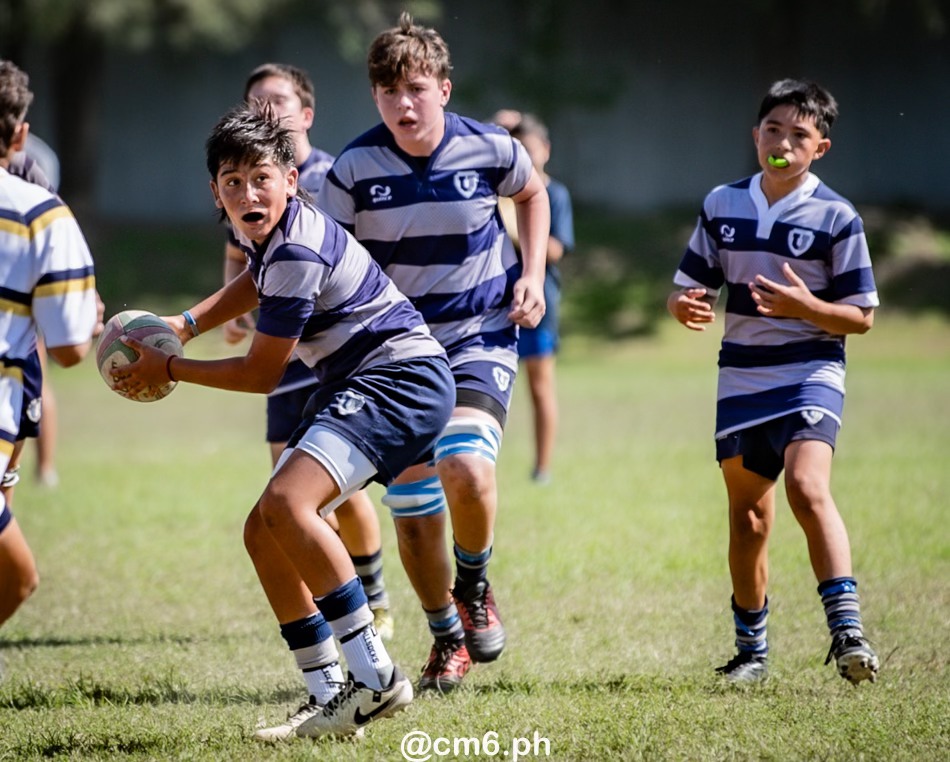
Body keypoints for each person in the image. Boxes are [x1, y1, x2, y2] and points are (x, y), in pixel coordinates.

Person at [113, 104, 455, 738]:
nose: (248, 192)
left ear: (292, 179)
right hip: (371, 381)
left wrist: (171, 368)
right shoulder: (272, 240)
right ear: (214, 192)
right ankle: (330, 692)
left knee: (288, 506)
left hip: (399, 380)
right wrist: (182, 326)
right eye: (233, 181)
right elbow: (254, 281)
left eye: (261, 176)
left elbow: (260, 374)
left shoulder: (294, 246)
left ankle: (375, 679)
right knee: (265, 529)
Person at [318, 12, 549, 694]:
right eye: (389, 92)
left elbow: (531, 192)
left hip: (479, 335)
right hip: (397, 358)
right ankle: (447, 638)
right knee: (416, 519)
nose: (404, 103)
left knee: (469, 470)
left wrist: (531, 273)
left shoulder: (490, 147)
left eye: (416, 88)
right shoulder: (354, 169)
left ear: (444, 89)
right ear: (375, 98)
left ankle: (474, 586)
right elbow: (329, 261)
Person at [667, 78, 880, 685]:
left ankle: (848, 635)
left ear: (822, 148)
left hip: (811, 370)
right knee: (749, 520)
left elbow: (861, 317)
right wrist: (683, 307)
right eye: (773, 130)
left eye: (799, 135)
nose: (783, 143)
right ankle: (751, 653)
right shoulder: (722, 204)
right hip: (741, 376)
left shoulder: (838, 216)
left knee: (809, 490)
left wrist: (804, 308)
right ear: (755, 135)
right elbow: (690, 285)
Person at [221, 63, 395, 646]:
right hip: (299, 356)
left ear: (307, 114)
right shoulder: (243, 178)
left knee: (322, 494)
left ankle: (370, 605)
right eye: (255, 100)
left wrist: (170, 364)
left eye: (278, 101)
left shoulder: (327, 175)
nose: (266, 111)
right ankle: (332, 641)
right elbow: (247, 260)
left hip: (352, 358)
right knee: (285, 494)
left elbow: (310, 259)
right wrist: (211, 318)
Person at [0, 60, 99, 632]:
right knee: (15, 577)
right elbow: (67, 350)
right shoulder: (40, 213)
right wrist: (85, 317)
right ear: (19, 135)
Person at [493, 111, 574, 485]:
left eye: (529, 147)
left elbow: (557, 248)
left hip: (541, 303)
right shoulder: (501, 191)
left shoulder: (554, 193)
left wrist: (520, 234)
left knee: (540, 387)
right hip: (495, 304)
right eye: (517, 147)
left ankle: (542, 468)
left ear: (546, 149)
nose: (524, 154)